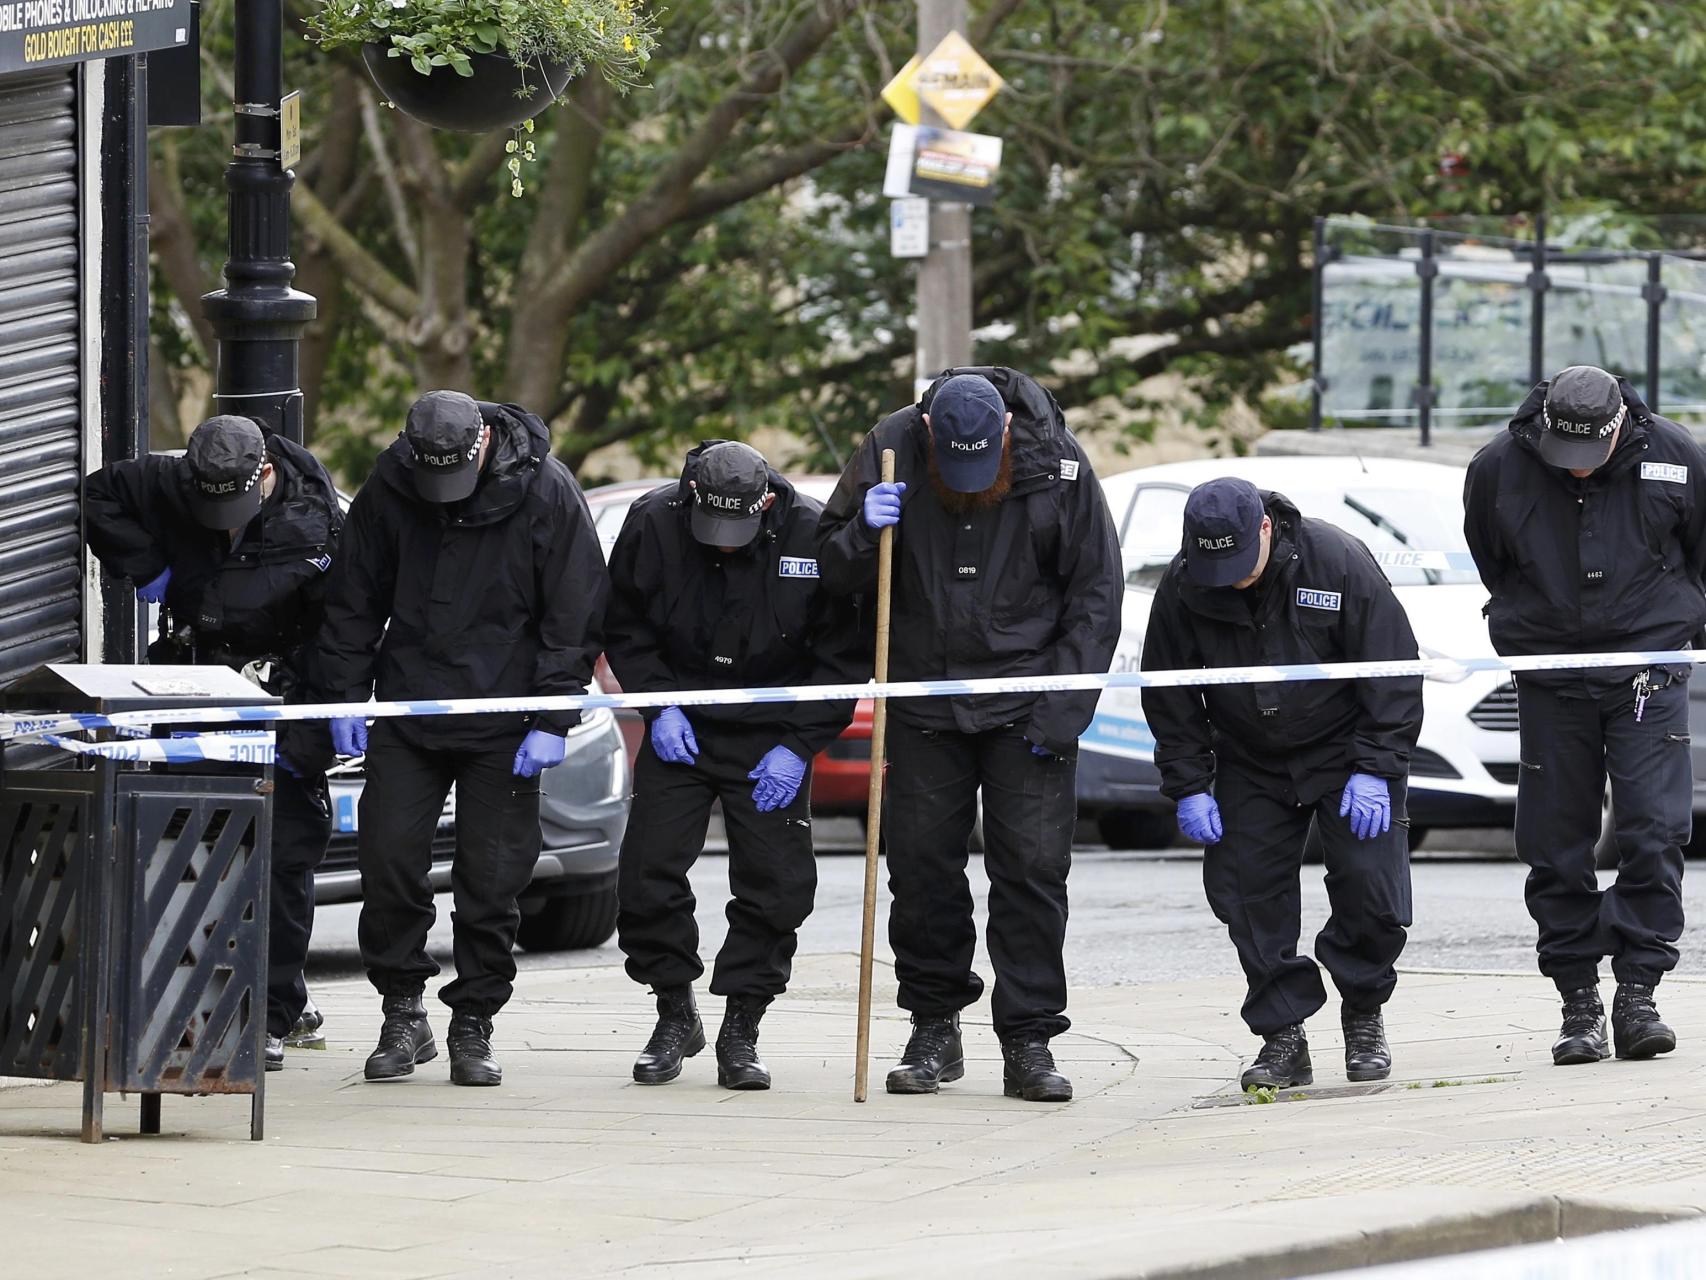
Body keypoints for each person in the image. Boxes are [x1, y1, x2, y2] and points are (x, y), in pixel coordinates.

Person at [817, 368, 1122, 1103]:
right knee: (920, 873)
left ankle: (1029, 1040)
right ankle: (933, 1025)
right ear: (928, 435)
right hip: (923, 698)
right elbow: (829, 569)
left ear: (1007, 436)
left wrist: (1063, 710)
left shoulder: (1060, 466)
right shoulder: (889, 447)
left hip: (1027, 704)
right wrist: (864, 531)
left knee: (1031, 873)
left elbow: (1095, 595)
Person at [311, 390, 607, 1087]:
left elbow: (576, 606)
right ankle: (402, 1010)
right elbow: (355, 597)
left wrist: (553, 715)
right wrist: (344, 694)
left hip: (504, 720)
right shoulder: (393, 482)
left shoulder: (546, 489)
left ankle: (474, 1018)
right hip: (411, 710)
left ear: (481, 445)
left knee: (491, 883)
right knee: (387, 865)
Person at [1140, 477, 1422, 1089]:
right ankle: (1283, 1035)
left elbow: (1393, 669)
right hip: (1249, 755)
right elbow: (1169, 691)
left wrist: (1376, 766)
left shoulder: (1337, 561)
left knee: (1372, 889)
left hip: (1345, 748)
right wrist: (1189, 783)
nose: (1232, 577)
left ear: (1265, 528)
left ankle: (1364, 1012)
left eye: (1240, 562)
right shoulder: (1186, 582)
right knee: (1246, 893)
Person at [84, 414, 343, 1072]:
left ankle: (275, 1012)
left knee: (282, 857)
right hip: (197, 681)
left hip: (287, 693)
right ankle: (185, 998)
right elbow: (97, 494)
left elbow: (344, 623)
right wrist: (147, 567)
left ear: (264, 475)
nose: (219, 517)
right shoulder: (174, 479)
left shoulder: (314, 518)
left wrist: (331, 707)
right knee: (185, 843)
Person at [1464, 365, 1705, 1066]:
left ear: (1619, 427)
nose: (1573, 472)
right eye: (1560, 455)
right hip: (1551, 674)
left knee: (1654, 833)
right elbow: (1493, 561)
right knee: (1555, 844)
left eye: (1587, 457)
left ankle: (1637, 991)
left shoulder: (1679, 457)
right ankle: (1578, 1000)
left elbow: (1698, 557)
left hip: (1647, 673)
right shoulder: (1498, 469)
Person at [604, 441, 863, 1090]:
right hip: (683, 727)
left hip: (771, 737)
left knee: (778, 888)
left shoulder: (809, 533)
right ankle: (673, 1009)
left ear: (766, 503)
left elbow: (841, 657)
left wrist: (800, 745)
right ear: (691, 497)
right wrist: (658, 707)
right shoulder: (653, 521)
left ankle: (742, 1025)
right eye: (710, 528)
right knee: (644, 878)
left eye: (736, 530)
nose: (722, 545)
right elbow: (624, 623)